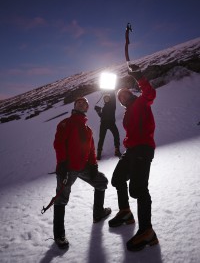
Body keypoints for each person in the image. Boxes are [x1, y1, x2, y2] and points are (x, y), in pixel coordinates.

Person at [108, 64, 159, 252]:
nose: (122, 97)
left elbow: (150, 94)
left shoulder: (142, 102)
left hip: (143, 149)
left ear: (131, 94)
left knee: (138, 189)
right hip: (131, 151)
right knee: (117, 179)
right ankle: (125, 213)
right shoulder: (128, 112)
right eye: (120, 96)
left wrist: (139, 77)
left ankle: (147, 231)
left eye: (125, 94)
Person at [53, 97, 111, 248]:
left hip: (83, 166)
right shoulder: (66, 123)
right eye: (78, 102)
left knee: (101, 181)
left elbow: (91, 149)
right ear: (74, 106)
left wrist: (93, 166)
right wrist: (62, 163)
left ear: (87, 108)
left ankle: (98, 213)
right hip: (68, 168)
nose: (81, 104)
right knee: (61, 198)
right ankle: (59, 235)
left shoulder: (88, 130)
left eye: (84, 103)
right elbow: (59, 144)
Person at [94, 91, 121, 160]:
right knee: (101, 138)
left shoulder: (112, 105)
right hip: (103, 123)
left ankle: (117, 150)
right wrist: (98, 111)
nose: (106, 99)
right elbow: (102, 116)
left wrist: (111, 91)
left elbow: (113, 97)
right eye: (105, 98)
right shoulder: (104, 108)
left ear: (110, 99)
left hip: (111, 122)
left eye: (107, 98)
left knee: (116, 135)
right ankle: (99, 153)